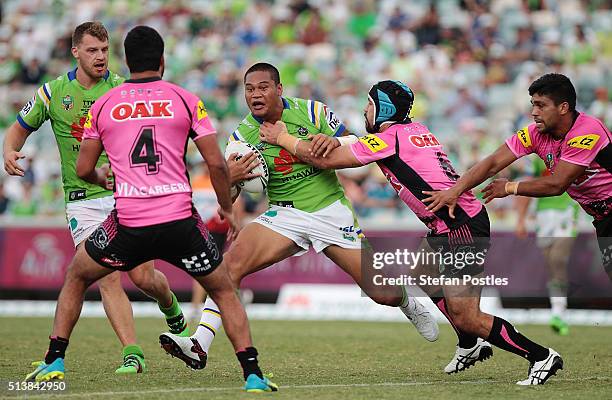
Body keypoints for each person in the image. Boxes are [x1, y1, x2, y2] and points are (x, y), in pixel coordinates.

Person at [25, 25, 277, 392]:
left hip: (128, 222)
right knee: (223, 290)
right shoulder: (186, 99)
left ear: (125, 62)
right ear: (162, 60)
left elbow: (81, 169)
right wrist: (227, 207)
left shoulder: (103, 104)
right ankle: (252, 373)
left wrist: (102, 180)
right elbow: (217, 165)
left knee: (77, 277)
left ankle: (54, 360)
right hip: (180, 220)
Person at [259, 79, 563, 385]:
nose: (365, 111)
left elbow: (327, 160)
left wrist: (283, 137)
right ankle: (470, 344)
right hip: (453, 221)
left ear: (382, 110)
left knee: (467, 315)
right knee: (422, 274)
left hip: (460, 226)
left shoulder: (389, 139)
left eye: (369, 104)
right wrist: (332, 139)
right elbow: (356, 144)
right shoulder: (414, 130)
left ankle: (540, 356)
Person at [159, 63, 438, 369]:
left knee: (381, 292)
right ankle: (200, 343)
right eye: (250, 89)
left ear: (279, 89)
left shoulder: (314, 112)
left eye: (263, 87)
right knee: (228, 267)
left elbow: (355, 145)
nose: (256, 94)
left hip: (329, 212)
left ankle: (408, 304)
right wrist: (230, 179)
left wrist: (334, 140)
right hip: (284, 214)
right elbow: (229, 198)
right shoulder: (241, 135)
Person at [3, 21, 187, 374]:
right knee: (108, 275)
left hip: (125, 196)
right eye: (92, 50)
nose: (100, 57)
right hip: (83, 200)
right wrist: (10, 151)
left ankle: (172, 309)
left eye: (104, 50)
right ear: (75, 52)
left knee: (145, 278)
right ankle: (133, 352)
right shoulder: (52, 92)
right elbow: (18, 129)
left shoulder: (121, 88)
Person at [422, 73, 612, 281]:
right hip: (603, 217)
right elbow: (494, 162)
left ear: (563, 108)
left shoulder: (587, 132)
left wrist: (509, 187)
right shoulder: (535, 133)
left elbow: (557, 184)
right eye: (533, 105)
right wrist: (455, 191)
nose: (534, 112)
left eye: (541, 105)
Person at [515, 157, 579, 335]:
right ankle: (558, 311)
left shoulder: (573, 151)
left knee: (558, 259)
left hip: (567, 211)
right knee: (551, 264)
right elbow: (525, 186)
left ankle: (559, 312)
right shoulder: (536, 159)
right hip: (543, 215)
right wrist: (521, 219)